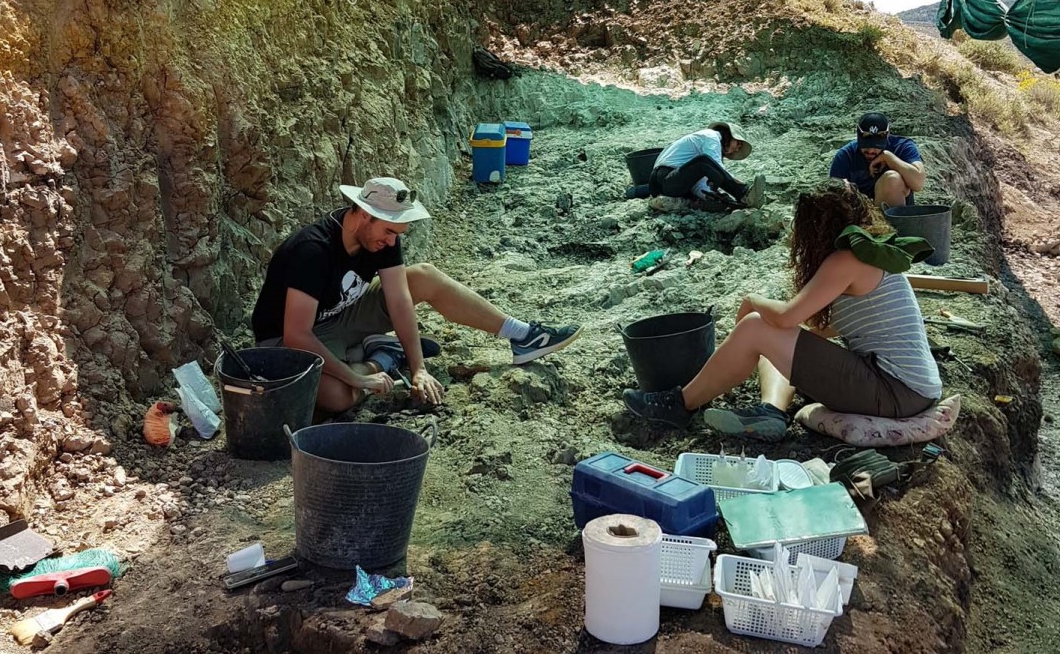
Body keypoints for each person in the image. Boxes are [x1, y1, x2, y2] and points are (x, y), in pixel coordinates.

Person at [622, 180, 942, 441]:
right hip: (909, 389)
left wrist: (752, 301)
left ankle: (678, 406)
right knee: (773, 333)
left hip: (896, 392)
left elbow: (788, 315)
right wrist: (781, 336)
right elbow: (833, 327)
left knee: (757, 326)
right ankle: (771, 411)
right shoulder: (871, 251)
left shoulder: (847, 260)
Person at [251, 176, 582, 413]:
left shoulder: (380, 237)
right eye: (389, 232)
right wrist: (357, 377)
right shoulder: (312, 250)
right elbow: (297, 334)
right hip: (286, 340)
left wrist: (419, 368)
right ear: (364, 214)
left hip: (342, 315)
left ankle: (521, 334)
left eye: (398, 233)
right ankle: (380, 358)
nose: (393, 242)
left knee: (424, 276)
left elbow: (399, 300)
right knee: (336, 397)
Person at [646, 121, 766, 210]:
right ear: (728, 135)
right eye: (738, 143)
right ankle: (744, 194)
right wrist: (740, 185)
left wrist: (713, 196)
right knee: (705, 162)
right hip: (664, 178)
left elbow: (700, 180)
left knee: (713, 191)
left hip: (666, 183)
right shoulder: (710, 136)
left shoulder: (695, 160)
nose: (736, 149)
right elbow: (715, 167)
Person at [829, 112, 925, 208]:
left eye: (876, 146)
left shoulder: (902, 147)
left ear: (887, 137)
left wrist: (888, 157)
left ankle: (892, 222)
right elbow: (833, 196)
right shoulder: (846, 155)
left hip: (895, 213)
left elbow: (918, 184)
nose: (870, 151)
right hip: (860, 213)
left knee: (892, 179)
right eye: (865, 146)